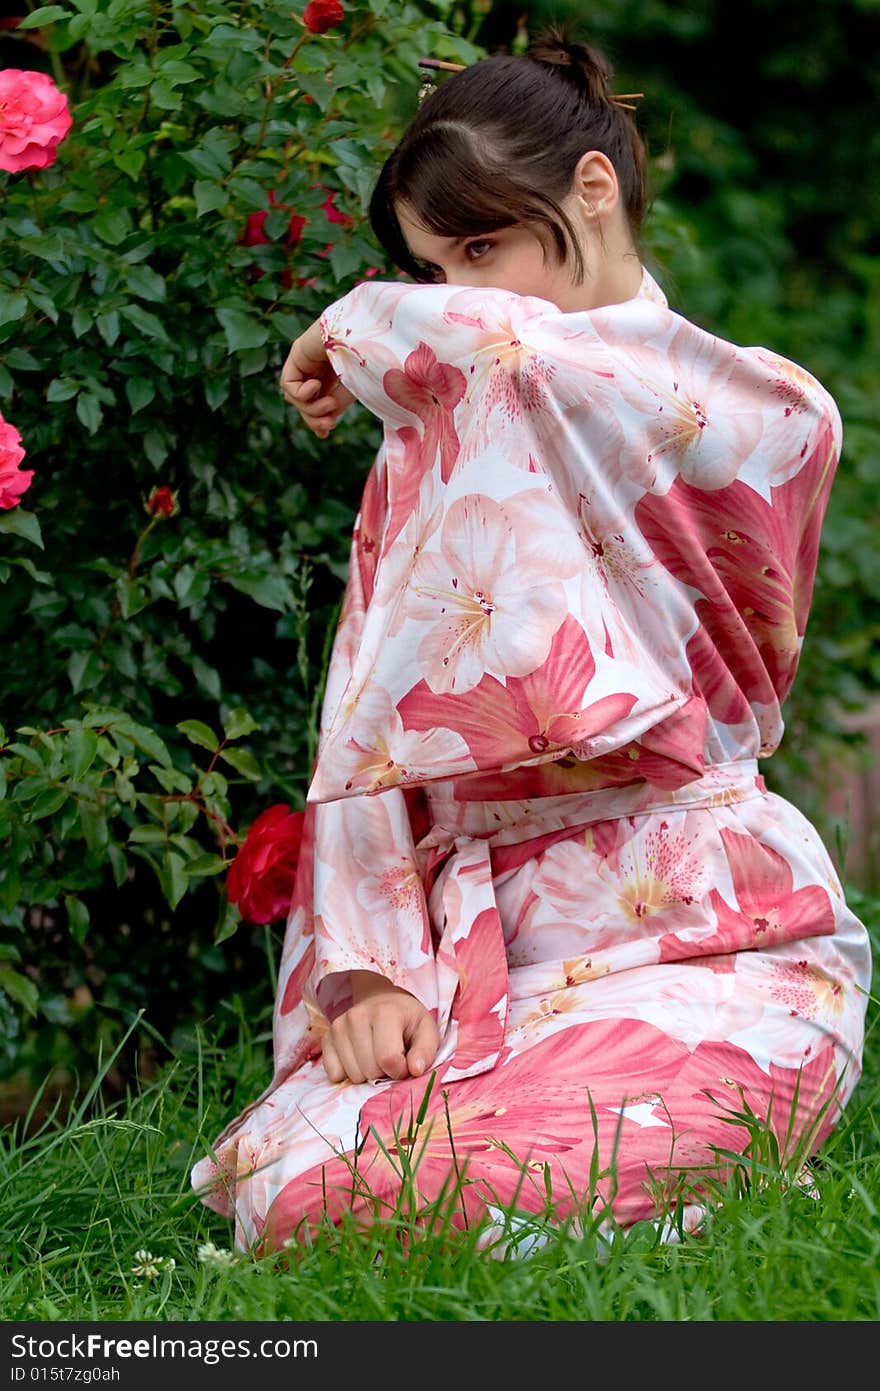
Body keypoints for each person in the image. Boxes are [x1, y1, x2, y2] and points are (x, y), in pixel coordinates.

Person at [191, 27, 872, 1257]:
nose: (461, 295)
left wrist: (354, 319)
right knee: (292, 1190)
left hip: (720, 937)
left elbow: (529, 354)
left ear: (592, 191)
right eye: (429, 268)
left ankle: (692, 1179)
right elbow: (364, 719)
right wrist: (369, 968)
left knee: (422, 1191)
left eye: (482, 247)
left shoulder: (768, 410)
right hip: (495, 950)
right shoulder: (444, 431)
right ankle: (650, 1203)